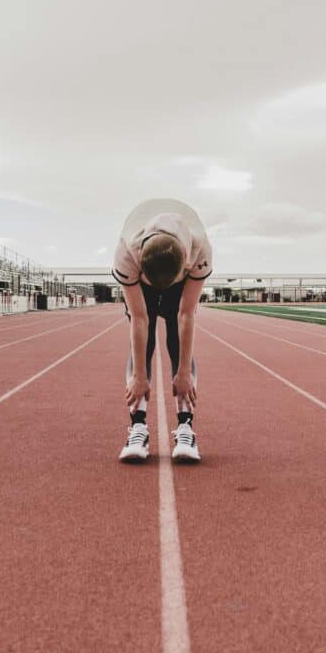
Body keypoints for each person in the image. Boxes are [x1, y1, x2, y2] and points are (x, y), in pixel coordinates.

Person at [113, 198, 212, 462]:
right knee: (142, 351)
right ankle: (138, 427)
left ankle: (185, 427)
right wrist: (140, 376)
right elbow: (139, 317)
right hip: (142, 283)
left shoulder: (200, 251)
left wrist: (183, 373)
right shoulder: (126, 255)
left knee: (178, 344)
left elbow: (186, 314)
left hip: (179, 283)